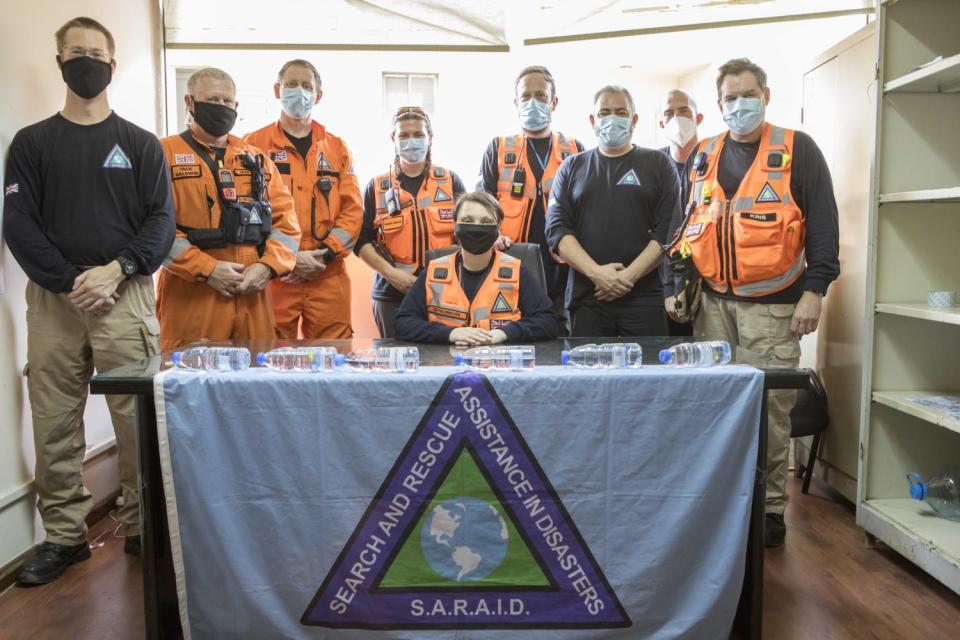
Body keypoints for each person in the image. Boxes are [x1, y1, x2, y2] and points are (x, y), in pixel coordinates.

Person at [3, 17, 175, 584]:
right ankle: (64, 538)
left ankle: (141, 528)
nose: (86, 60)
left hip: (124, 296)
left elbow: (160, 223)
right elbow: (19, 223)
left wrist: (115, 271)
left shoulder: (139, 143)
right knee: (54, 422)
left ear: (112, 64)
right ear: (59, 62)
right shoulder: (31, 143)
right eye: (75, 52)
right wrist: (69, 281)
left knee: (135, 421)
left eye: (95, 52)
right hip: (54, 301)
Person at [665, 58, 840, 547]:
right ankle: (722, 506)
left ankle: (769, 513)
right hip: (712, 306)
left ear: (766, 95)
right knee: (714, 409)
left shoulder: (797, 150)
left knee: (770, 411)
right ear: (718, 105)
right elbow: (684, 231)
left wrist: (815, 291)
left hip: (776, 305)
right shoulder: (702, 154)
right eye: (729, 98)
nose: (739, 105)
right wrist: (676, 286)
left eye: (748, 95)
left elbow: (824, 228)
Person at [157, 68, 301, 351]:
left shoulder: (256, 159)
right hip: (193, 294)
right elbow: (155, 229)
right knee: (192, 385)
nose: (221, 107)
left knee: (257, 382)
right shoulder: (163, 154)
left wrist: (267, 267)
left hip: (253, 292)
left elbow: (287, 225)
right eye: (212, 100)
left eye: (227, 102)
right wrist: (208, 269)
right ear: (190, 102)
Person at [545, 85, 681, 337]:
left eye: (621, 112)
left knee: (648, 376)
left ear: (634, 119)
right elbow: (556, 230)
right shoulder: (571, 167)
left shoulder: (659, 164)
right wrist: (598, 274)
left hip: (644, 300)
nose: (612, 118)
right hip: (587, 299)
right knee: (588, 376)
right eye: (604, 113)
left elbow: (668, 231)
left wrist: (626, 278)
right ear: (592, 120)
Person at [244, 59, 362, 339]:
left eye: (307, 86)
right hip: (273, 275)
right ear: (277, 90)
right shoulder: (252, 145)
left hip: (326, 273)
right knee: (268, 360)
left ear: (318, 95)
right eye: (291, 84)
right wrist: (289, 259)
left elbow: (353, 212)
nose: (299, 91)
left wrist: (326, 254)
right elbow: (244, 212)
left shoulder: (337, 148)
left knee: (334, 360)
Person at [480, 65, 583, 325]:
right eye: (526, 96)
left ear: (554, 102)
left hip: (564, 268)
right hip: (513, 263)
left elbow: (588, 209)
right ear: (515, 102)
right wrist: (493, 235)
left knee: (563, 345)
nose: (533, 102)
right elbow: (482, 206)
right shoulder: (499, 148)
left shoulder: (575, 149)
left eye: (540, 95)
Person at [355, 106, 466, 337]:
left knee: (440, 361)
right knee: (396, 366)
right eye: (403, 135)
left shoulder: (450, 181)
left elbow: (467, 232)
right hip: (391, 293)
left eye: (418, 135)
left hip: (445, 290)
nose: (411, 141)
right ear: (393, 139)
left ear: (430, 138)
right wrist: (391, 274)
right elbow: (360, 241)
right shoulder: (376, 187)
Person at [395, 191, 558, 344]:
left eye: (486, 222)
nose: (476, 227)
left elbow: (548, 322)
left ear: (499, 228)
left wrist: (505, 333)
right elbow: (403, 323)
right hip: (445, 366)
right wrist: (450, 333)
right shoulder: (433, 271)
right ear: (454, 225)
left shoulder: (516, 271)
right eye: (467, 221)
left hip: (499, 367)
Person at [658, 88, 703, 338]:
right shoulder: (654, 164)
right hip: (665, 287)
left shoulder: (713, 159)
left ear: (698, 117)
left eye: (684, 111)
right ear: (661, 122)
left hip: (708, 284)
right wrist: (668, 288)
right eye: (669, 113)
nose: (676, 118)